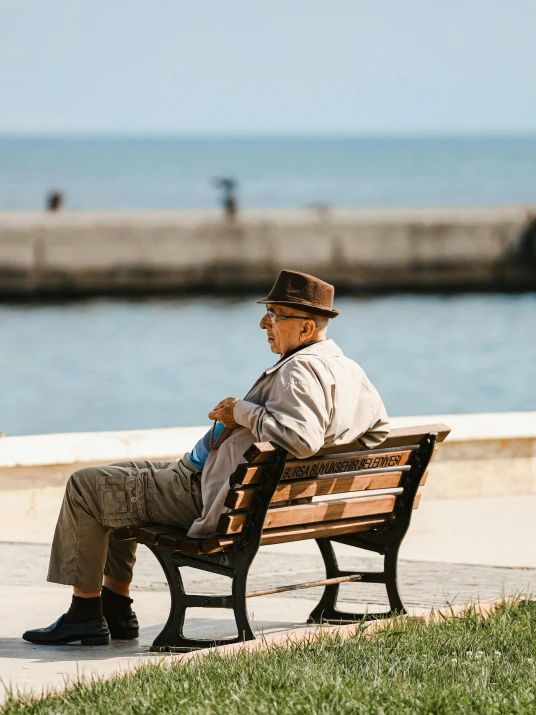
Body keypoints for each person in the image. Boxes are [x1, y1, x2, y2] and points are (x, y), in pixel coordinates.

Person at [23, 270, 389, 646]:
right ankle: (115, 608)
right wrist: (325, 451)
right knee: (115, 477)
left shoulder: (299, 371)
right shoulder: (347, 369)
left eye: (276, 314)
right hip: (244, 493)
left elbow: (301, 437)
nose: (265, 322)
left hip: (206, 496)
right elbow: (377, 431)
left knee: (86, 486)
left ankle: (84, 612)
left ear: (306, 329)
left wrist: (240, 412)